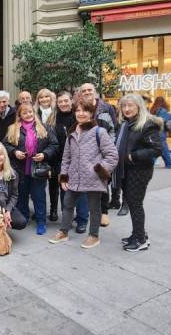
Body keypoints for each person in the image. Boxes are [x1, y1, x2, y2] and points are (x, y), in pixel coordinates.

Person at [50, 99, 118, 248]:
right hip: (74, 177)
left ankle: (94, 235)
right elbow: (66, 158)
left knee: (94, 208)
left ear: (91, 113)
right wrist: (63, 177)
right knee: (67, 204)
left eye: (85, 110)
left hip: (94, 178)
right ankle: (63, 232)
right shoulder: (72, 134)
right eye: (78, 111)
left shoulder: (99, 132)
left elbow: (112, 155)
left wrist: (98, 171)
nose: (81, 114)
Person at [114, 94, 162, 251]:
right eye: (124, 106)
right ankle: (138, 233)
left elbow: (156, 150)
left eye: (130, 106)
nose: (127, 109)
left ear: (139, 106)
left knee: (135, 203)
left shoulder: (147, 124)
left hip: (140, 170)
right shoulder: (126, 123)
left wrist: (132, 156)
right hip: (127, 169)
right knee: (132, 202)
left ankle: (140, 240)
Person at [4, 103, 58, 235]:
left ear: (34, 113)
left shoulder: (44, 127)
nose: (28, 114)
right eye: (25, 113)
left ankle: (41, 222)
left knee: (39, 196)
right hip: (20, 168)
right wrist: (14, 152)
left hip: (38, 169)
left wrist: (45, 154)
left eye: (30, 112)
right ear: (20, 115)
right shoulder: (13, 128)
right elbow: (5, 144)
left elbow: (54, 145)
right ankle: (23, 218)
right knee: (21, 196)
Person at [79, 83, 118, 227]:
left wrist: (108, 148)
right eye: (84, 91)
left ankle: (104, 212)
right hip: (85, 152)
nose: (87, 92)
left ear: (95, 92)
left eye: (89, 90)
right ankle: (87, 212)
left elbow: (114, 128)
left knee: (102, 180)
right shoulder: (79, 107)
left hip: (102, 151)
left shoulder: (106, 107)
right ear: (80, 94)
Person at [54, 91, 89, 233]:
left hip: (79, 161)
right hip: (62, 160)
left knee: (81, 192)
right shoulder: (54, 117)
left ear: (71, 101)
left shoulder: (78, 116)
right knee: (64, 190)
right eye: (60, 101)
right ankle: (67, 219)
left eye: (65, 101)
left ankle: (82, 220)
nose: (63, 104)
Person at [34, 88, 58, 221]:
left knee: (54, 183)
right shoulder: (35, 112)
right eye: (41, 97)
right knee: (39, 182)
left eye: (46, 97)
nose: (44, 99)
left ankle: (54, 209)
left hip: (54, 151)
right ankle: (40, 210)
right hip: (39, 152)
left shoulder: (56, 112)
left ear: (51, 98)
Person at [150, 96, 171, 168]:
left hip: (154, 132)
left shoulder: (153, 110)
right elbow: (163, 120)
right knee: (163, 149)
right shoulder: (163, 110)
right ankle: (169, 163)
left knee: (158, 149)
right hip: (161, 132)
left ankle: (168, 163)